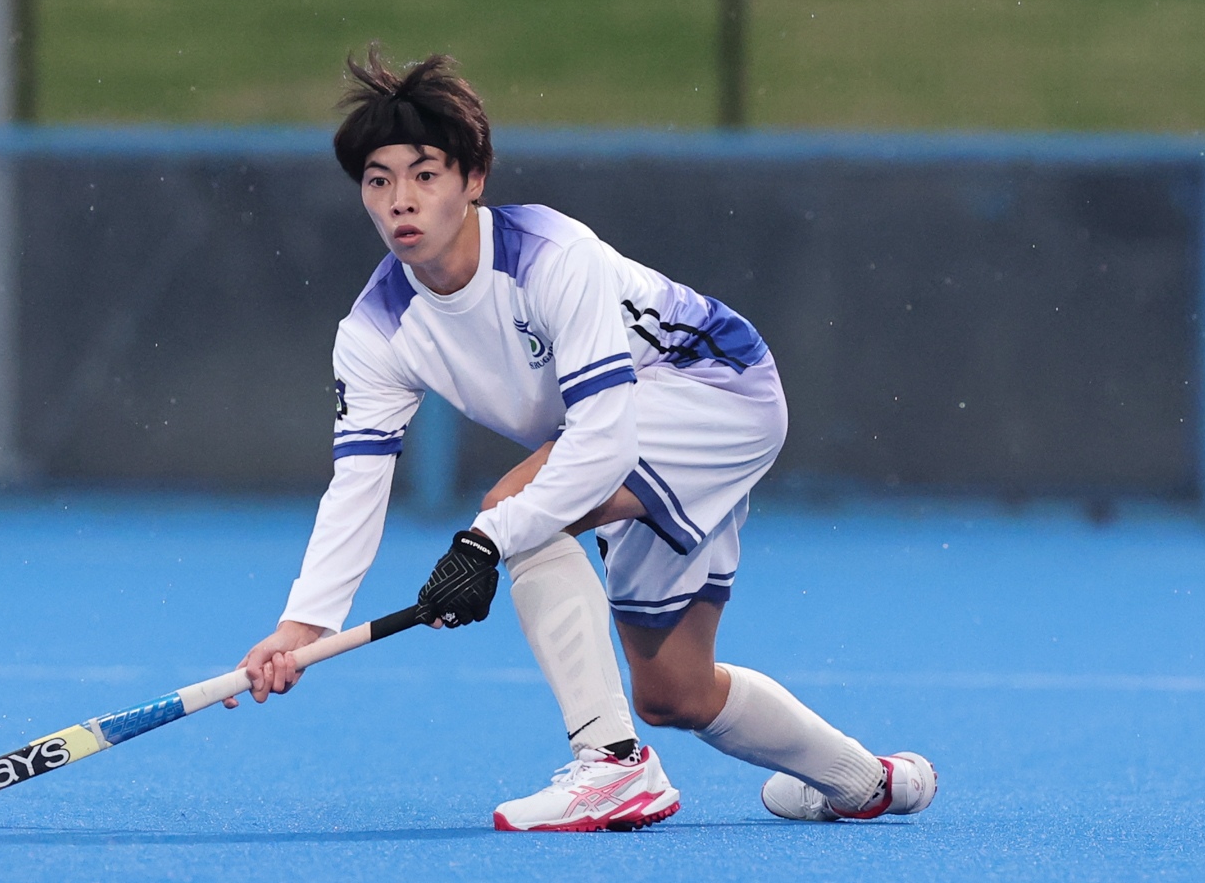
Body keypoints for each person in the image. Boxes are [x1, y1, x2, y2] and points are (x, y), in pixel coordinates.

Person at [238, 49, 936, 832]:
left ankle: (615, 767)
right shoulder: (374, 331)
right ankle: (868, 783)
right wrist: (302, 630)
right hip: (621, 437)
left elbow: (601, 444)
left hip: (716, 392)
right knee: (674, 690)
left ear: (474, 180)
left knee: (517, 510)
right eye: (378, 180)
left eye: (425, 174)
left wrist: (486, 542)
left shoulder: (550, 255)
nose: (400, 199)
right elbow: (356, 490)